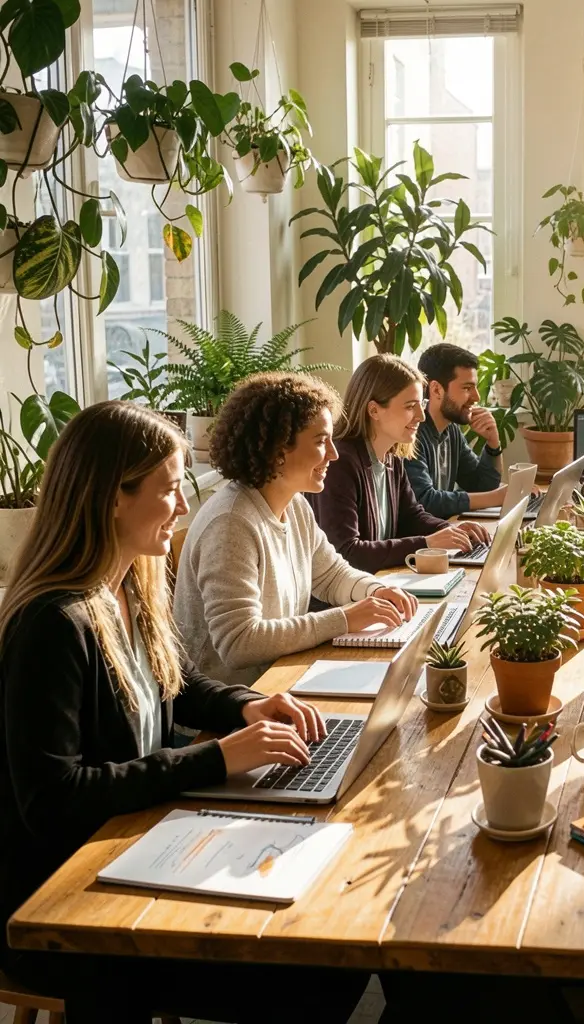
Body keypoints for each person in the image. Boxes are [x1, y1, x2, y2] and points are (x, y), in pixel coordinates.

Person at [0, 401, 372, 1021]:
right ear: (111, 498)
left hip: (135, 842)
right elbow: (54, 798)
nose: (181, 507)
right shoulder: (52, 624)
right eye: (169, 490)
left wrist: (250, 706)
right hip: (61, 902)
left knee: (332, 947)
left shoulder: (127, 584)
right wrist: (215, 759)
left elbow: (180, 685)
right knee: (320, 981)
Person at [174, 372, 417, 688]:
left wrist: (374, 591)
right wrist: (345, 619)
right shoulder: (231, 523)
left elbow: (331, 575)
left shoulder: (295, 504)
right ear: (277, 450)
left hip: (279, 680)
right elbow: (238, 643)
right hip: (237, 704)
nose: (333, 453)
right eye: (320, 441)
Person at [310, 354, 490, 572]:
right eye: (410, 406)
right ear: (374, 410)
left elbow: (412, 517)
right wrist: (426, 543)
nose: (421, 416)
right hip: (354, 591)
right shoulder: (340, 463)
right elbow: (347, 552)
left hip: (380, 582)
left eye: (421, 404)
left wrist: (452, 530)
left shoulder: (392, 457)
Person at [406, 342, 507, 517]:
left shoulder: (451, 430)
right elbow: (425, 501)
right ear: (436, 390)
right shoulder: (411, 434)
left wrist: (493, 442)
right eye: (467, 388)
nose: (476, 397)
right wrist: (497, 498)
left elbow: (482, 485)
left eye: (475, 387)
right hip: (429, 534)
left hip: (447, 529)